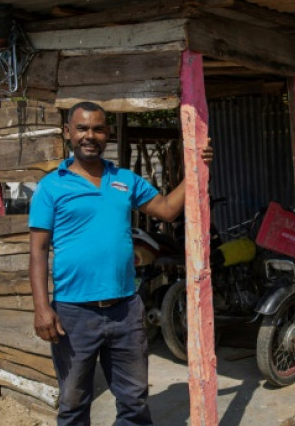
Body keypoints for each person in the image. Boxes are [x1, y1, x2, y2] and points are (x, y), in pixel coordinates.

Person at [29, 101, 211, 426]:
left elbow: (168, 209)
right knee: (73, 403)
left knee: (134, 402)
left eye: (98, 128)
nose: (90, 135)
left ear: (107, 133)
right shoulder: (51, 186)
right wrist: (42, 307)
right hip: (73, 313)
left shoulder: (124, 180)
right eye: (82, 128)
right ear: (68, 132)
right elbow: (38, 251)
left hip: (125, 309)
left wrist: (197, 167)